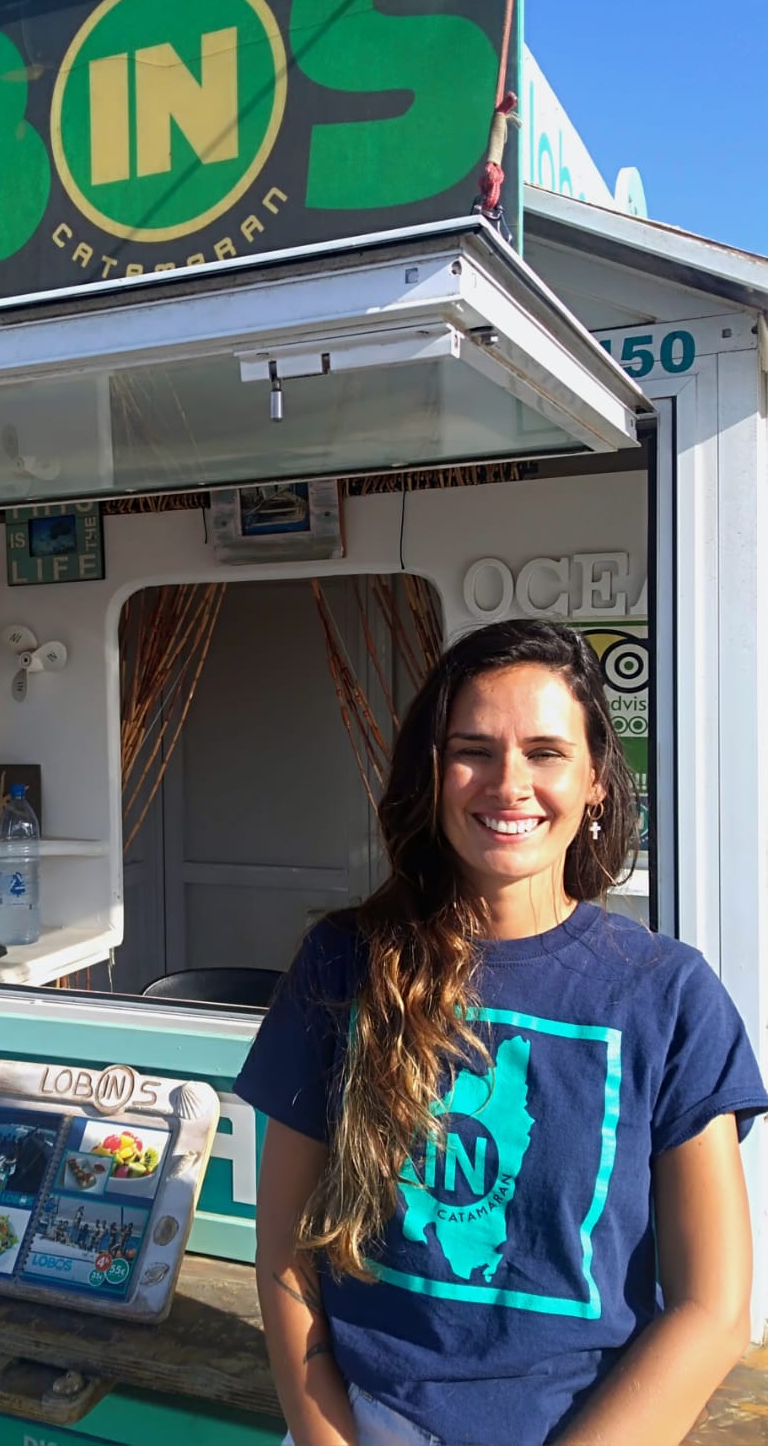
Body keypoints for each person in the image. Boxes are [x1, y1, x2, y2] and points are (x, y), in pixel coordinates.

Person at [235, 620, 766, 1446]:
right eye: (473, 750)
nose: (507, 783)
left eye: (545, 752)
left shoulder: (668, 995)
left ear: (595, 779)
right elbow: (286, 1256)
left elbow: (712, 1308)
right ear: (433, 775)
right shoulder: (342, 965)